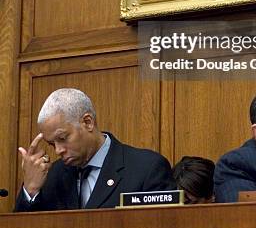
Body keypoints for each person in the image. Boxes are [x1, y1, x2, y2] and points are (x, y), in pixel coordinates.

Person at [15, 88, 175, 211]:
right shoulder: (52, 175)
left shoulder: (146, 168)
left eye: (63, 138)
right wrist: (31, 189)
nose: (58, 150)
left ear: (88, 122)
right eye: (52, 144)